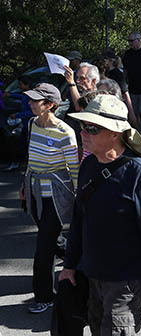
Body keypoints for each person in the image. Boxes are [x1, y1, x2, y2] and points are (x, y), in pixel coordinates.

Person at [60, 94, 141, 336]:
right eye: (82, 125)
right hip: (93, 274)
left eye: (92, 127)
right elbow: (80, 219)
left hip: (127, 280)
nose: (83, 132)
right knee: (97, 333)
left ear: (115, 132)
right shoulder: (89, 165)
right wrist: (69, 265)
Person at [19, 84, 79, 314]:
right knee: (51, 238)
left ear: (51, 104)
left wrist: (79, 198)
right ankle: (78, 261)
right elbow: (30, 157)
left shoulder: (65, 132)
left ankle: (45, 296)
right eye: (31, 100)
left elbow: (73, 169)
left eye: (36, 101)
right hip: (34, 189)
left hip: (55, 194)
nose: (31, 104)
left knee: (43, 247)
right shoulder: (32, 124)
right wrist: (23, 184)